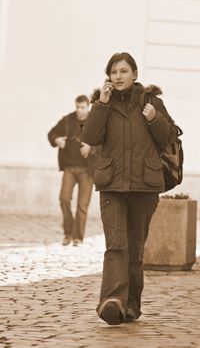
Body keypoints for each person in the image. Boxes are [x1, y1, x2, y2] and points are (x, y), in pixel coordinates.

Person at [82, 52, 179, 325]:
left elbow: (170, 137)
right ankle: (111, 301)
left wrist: (154, 119)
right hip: (112, 185)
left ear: (135, 74)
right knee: (116, 246)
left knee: (135, 249)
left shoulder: (151, 101)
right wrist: (100, 105)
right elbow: (90, 137)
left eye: (124, 71)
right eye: (114, 72)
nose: (119, 76)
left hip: (144, 187)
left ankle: (132, 305)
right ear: (108, 76)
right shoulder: (103, 103)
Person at [48, 95, 96, 247]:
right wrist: (57, 140)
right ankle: (68, 233)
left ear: (88, 107)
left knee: (82, 205)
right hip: (69, 168)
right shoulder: (68, 120)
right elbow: (52, 133)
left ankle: (78, 238)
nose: (79, 110)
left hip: (87, 170)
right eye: (77, 107)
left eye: (82, 107)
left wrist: (91, 147)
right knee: (64, 199)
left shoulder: (95, 122)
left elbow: (104, 142)